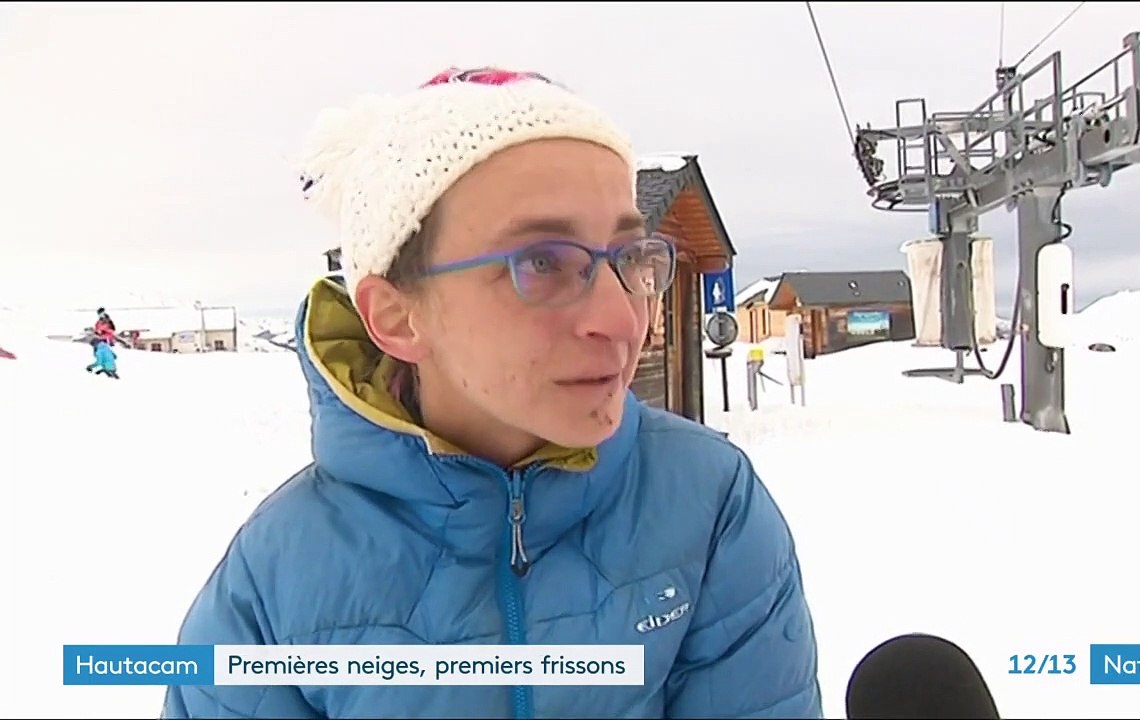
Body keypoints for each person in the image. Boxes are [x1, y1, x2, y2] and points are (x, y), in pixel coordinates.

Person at [162, 67, 822, 719]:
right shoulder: (273, 583)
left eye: (628, 258)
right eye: (541, 262)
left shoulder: (707, 502)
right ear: (397, 318)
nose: (622, 319)